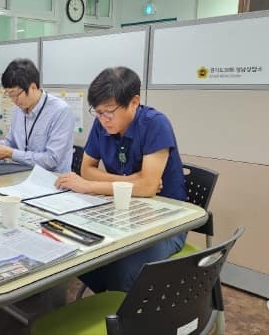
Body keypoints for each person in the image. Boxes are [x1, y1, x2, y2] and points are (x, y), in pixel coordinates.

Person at [55, 66, 186, 293]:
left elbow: (146, 187)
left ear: (134, 102)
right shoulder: (101, 124)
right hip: (121, 215)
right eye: (97, 112)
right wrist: (128, 180)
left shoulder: (155, 124)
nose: (103, 119)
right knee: (76, 255)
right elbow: (87, 168)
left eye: (109, 112)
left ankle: (123, 319)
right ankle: (108, 307)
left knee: (125, 270)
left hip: (165, 224)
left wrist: (92, 186)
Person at [0, 58, 75, 173]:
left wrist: (10, 154)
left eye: (16, 95)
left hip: (51, 181)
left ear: (33, 88)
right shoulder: (18, 108)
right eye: (9, 95)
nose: (13, 100)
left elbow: (51, 160)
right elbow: (10, 143)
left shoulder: (61, 111)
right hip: (20, 175)